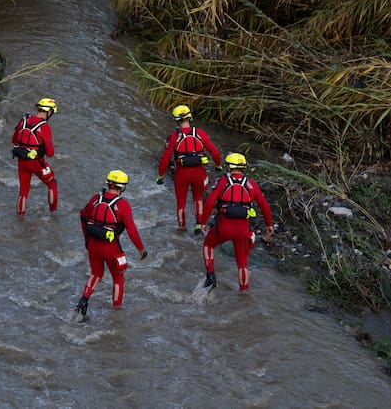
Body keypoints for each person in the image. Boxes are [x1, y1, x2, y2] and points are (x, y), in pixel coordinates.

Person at [75, 170, 148, 317]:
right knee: (118, 279)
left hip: (93, 245)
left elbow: (83, 216)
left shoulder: (95, 198)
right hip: (111, 248)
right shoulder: (123, 205)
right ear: (122, 187)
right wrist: (141, 250)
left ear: (109, 183)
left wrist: (86, 240)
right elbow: (132, 231)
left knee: (96, 274)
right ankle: (117, 315)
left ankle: (84, 299)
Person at [199, 152, 274, 292]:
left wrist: (203, 222)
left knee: (208, 245)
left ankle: (210, 276)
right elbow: (264, 206)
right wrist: (269, 225)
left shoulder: (222, 182)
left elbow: (210, 202)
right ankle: (244, 294)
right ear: (243, 167)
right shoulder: (252, 185)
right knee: (242, 264)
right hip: (243, 231)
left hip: (223, 227)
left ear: (228, 167)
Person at [155, 104, 223, 235]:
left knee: (181, 202)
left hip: (181, 173)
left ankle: (181, 227)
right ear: (189, 117)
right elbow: (214, 152)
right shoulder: (200, 133)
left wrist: (160, 176)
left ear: (176, 120)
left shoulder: (173, 137)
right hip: (199, 172)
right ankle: (198, 225)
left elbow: (165, 159)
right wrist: (218, 165)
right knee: (198, 198)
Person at [11, 98, 59, 215]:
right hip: (36, 163)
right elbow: (50, 153)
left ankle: (20, 218)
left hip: (21, 161)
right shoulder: (45, 127)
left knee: (23, 192)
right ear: (49, 112)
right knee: (52, 184)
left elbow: (14, 140)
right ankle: (53, 214)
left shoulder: (24, 120)